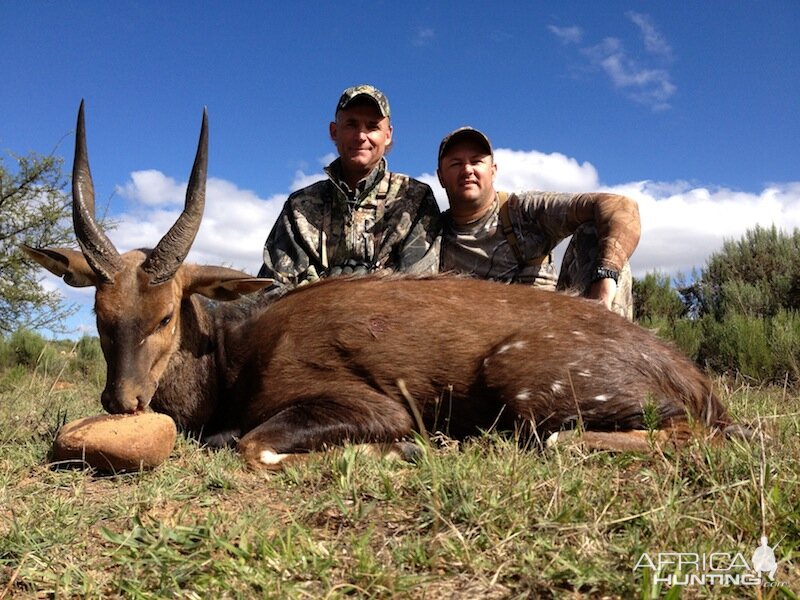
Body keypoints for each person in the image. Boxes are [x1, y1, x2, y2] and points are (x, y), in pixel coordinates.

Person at [436, 127, 640, 319]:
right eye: (455, 163)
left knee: (596, 233)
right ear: (441, 177)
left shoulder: (523, 210)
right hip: (472, 339)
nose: (467, 170)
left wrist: (603, 286)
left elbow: (621, 206)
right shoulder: (430, 233)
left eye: (476, 161)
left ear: (493, 170)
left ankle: (608, 336)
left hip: (547, 332)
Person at [258, 85, 441, 288]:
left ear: (388, 135)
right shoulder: (299, 206)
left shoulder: (414, 197)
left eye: (372, 126)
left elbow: (421, 290)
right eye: (351, 125)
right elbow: (272, 290)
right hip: (312, 318)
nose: (361, 136)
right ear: (334, 132)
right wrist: (323, 294)